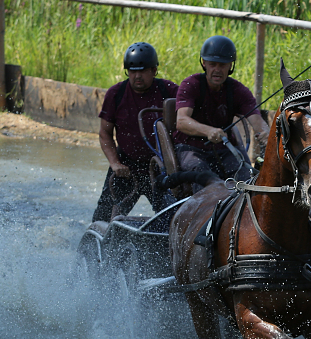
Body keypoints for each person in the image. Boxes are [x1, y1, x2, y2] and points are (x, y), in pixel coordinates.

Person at [92, 42, 179, 222]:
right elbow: (104, 133)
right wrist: (115, 163)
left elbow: (186, 121)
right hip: (126, 167)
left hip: (159, 168)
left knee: (175, 217)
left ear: (154, 70)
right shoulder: (116, 94)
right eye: (132, 71)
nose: (137, 76)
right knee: (102, 218)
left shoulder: (169, 92)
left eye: (143, 71)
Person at [174, 35, 270, 188]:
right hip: (190, 148)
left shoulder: (238, 90)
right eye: (213, 64)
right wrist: (208, 131)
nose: (217, 70)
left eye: (222, 65)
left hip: (224, 149)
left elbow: (257, 121)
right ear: (204, 63)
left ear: (230, 65)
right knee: (201, 174)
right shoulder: (191, 84)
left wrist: (265, 134)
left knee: (247, 176)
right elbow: (181, 121)